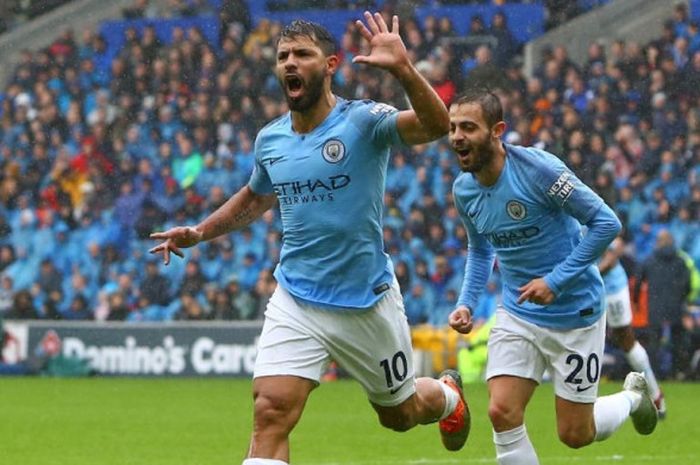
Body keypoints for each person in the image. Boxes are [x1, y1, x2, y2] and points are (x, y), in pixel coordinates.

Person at [150, 13, 470, 465]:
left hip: (365, 302)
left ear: (331, 64)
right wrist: (201, 231)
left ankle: (445, 395)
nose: (290, 64)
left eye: (303, 54)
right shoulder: (271, 139)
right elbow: (256, 196)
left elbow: (436, 127)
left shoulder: (363, 121)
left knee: (400, 415)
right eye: (283, 57)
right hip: (297, 298)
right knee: (270, 411)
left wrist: (403, 69)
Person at [446, 89, 658, 465]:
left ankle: (633, 397)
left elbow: (606, 223)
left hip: (574, 313)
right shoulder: (464, 189)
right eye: (452, 128)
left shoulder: (540, 171)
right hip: (518, 312)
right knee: (501, 412)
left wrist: (555, 281)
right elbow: (480, 249)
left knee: (575, 435)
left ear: (497, 131)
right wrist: (466, 301)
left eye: (468, 127)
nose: (457, 137)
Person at [598, 235, 665, 417]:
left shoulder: (592, 216)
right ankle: (580, 400)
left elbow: (611, 256)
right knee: (580, 336)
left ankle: (656, 394)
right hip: (587, 288)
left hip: (612, 289)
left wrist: (582, 274)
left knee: (626, 340)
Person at [635, 230, 691, 381]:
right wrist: (680, 298)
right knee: (677, 342)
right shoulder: (680, 261)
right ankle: (676, 372)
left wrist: (635, 301)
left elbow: (638, 281)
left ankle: (655, 374)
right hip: (675, 308)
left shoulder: (650, 260)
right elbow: (687, 285)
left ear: (658, 242)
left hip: (655, 307)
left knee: (654, 343)